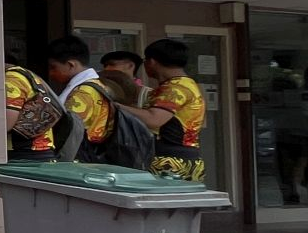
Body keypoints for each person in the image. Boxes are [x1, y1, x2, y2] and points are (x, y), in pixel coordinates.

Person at [125, 38, 207, 181]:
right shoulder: (186, 84)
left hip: (171, 161)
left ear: (152, 62)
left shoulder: (176, 88)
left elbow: (154, 119)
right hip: (186, 157)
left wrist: (118, 106)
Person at [45, 34, 114, 154]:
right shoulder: (97, 85)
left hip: (83, 156)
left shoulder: (84, 92)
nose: (51, 73)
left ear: (71, 64)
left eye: (53, 67)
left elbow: (66, 129)